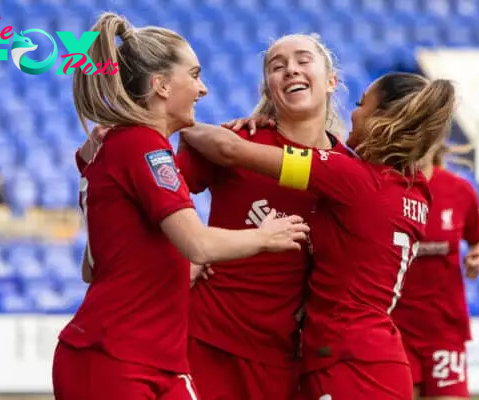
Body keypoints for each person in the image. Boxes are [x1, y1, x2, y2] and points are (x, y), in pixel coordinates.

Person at [52, 13, 309, 400]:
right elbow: (199, 244)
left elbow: (95, 266)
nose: (203, 89)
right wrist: (266, 236)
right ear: (161, 85)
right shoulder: (142, 145)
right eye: (194, 74)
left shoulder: (115, 146)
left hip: (153, 357)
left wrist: (174, 269)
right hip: (115, 357)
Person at [181, 72, 456, 400]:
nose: (353, 113)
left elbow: (228, 150)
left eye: (361, 104)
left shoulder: (348, 177)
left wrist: (174, 121)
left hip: (347, 359)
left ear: (383, 119)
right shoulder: (418, 191)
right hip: (378, 357)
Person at [176, 33, 345, 400]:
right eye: (277, 66)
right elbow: (151, 196)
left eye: (303, 60)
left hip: (285, 359)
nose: (290, 70)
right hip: (205, 339)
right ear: (268, 86)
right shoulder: (236, 142)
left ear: (331, 80)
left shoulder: (351, 170)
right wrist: (180, 254)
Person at [392, 144, 479, 400]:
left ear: (434, 140)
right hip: (394, 328)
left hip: (445, 328)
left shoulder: (459, 190)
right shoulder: (384, 186)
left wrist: (478, 255)